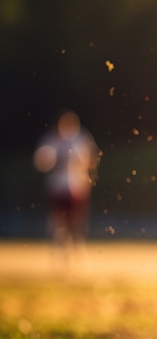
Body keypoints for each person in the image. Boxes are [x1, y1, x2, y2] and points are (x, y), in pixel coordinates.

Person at [33, 110, 100, 261]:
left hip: (76, 187)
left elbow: (90, 159)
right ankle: (60, 255)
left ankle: (77, 254)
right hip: (58, 187)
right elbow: (41, 161)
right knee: (58, 223)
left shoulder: (80, 139)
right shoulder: (52, 140)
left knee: (76, 223)